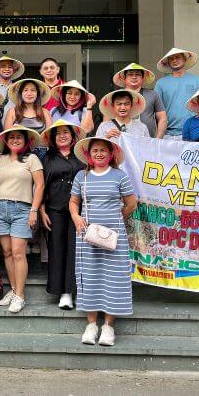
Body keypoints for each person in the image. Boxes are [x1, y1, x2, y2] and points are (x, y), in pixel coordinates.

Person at [69, 137, 138, 347]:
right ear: (89, 154)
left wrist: (115, 222)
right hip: (87, 236)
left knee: (113, 279)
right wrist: (76, 217)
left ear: (111, 154)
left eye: (103, 151)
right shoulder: (82, 176)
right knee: (90, 277)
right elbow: (73, 202)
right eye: (95, 151)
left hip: (113, 238)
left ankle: (108, 326)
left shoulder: (120, 175)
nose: (99, 154)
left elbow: (131, 203)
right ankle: (91, 325)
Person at [0, 126, 45, 313]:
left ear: (26, 141)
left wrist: (34, 210)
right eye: (11, 137)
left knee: (18, 252)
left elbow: (39, 185)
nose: (14, 140)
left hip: (22, 209)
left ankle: (20, 295)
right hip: (1, 208)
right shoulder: (0, 159)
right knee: (6, 253)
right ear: (6, 141)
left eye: (18, 137)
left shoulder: (32, 159)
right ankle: (13, 291)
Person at [39, 120, 85, 310]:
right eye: (58, 134)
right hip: (54, 209)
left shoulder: (81, 156)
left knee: (74, 250)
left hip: (79, 211)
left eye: (66, 132)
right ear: (52, 138)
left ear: (73, 136)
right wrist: (41, 209)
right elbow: (40, 184)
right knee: (56, 249)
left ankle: (71, 291)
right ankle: (60, 292)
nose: (62, 136)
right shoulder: (47, 157)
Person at [154, 48, 199, 140]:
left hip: (193, 131)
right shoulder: (161, 83)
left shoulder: (197, 81)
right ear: (168, 63)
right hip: (168, 133)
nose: (175, 60)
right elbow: (157, 109)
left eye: (178, 57)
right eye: (171, 59)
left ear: (185, 59)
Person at [112, 63, 167, 138]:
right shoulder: (115, 95)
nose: (134, 77)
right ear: (124, 78)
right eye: (130, 74)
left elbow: (162, 118)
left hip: (148, 140)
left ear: (143, 78)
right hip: (120, 140)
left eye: (137, 74)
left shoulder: (153, 94)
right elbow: (107, 119)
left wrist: (157, 140)